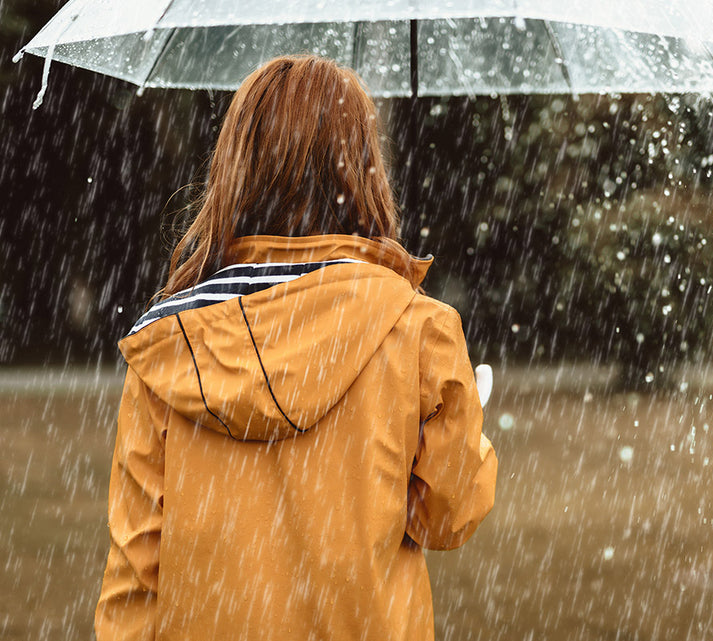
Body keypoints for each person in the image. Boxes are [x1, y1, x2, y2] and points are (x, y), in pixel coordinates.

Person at [94, 56, 497, 641]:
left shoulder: (169, 342)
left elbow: (135, 574)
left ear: (235, 164)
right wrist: (468, 424)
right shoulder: (416, 330)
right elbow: (446, 517)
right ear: (363, 168)